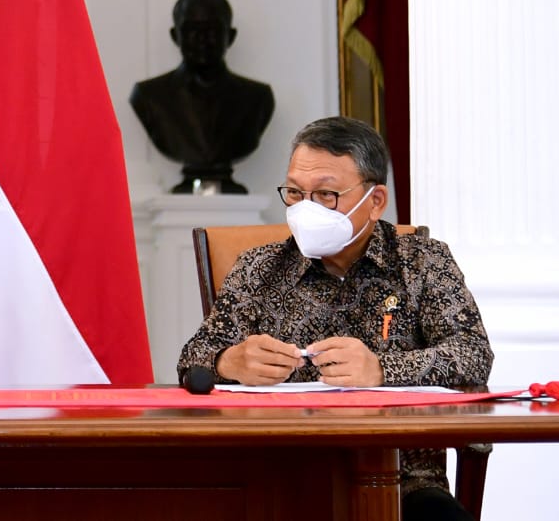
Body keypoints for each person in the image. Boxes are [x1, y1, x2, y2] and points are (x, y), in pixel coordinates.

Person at [177, 116, 493, 521]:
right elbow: (191, 359)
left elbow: (472, 355)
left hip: (402, 486)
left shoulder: (422, 263)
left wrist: (382, 370)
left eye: (326, 195)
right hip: (278, 483)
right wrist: (228, 362)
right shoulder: (258, 269)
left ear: (375, 200)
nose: (306, 209)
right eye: (294, 192)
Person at [130, 0, 275, 193]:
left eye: (212, 30)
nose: (202, 39)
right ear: (175, 35)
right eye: (191, 30)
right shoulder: (148, 97)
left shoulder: (258, 99)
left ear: (230, 36)